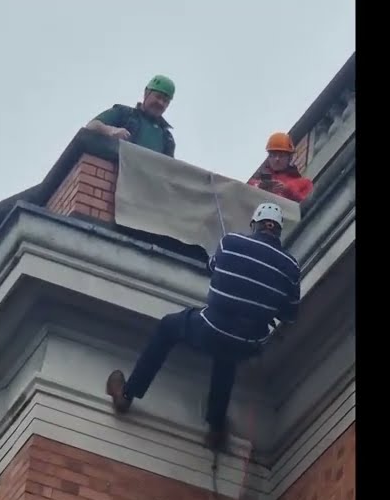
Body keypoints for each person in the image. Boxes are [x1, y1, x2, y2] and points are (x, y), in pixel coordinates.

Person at [105, 202, 301, 450]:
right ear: (278, 231)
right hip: (249, 343)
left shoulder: (231, 243)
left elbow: (212, 267)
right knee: (227, 355)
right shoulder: (291, 266)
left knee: (168, 327)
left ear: (255, 225)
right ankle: (216, 427)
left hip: (213, 328)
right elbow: (290, 314)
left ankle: (127, 394)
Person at [85, 75, 177, 158]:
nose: (160, 103)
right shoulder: (125, 114)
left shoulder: (167, 137)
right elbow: (92, 125)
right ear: (146, 93)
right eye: (158, 97)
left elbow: (169, 168)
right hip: (120, 173)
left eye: (165, 101)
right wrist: (111, 130)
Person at [247, 132, 313, 203]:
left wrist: (288, 191)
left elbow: (308, 206)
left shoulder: (304, 183)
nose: (277, 159)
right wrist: (262, 187)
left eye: (281, 155)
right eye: (273, 155)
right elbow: (245, 191)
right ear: (269, 158)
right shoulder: (257, 180)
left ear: (290, 158)